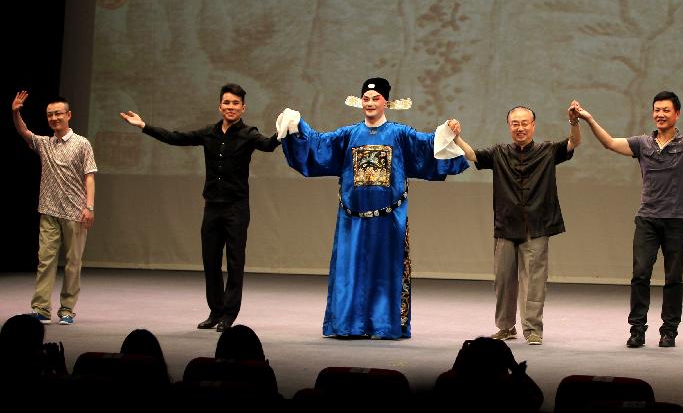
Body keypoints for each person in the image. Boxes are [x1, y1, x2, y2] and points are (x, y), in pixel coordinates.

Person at [277, 77, 469, 339]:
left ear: (386, 102)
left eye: (375, 98)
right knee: (349, 270)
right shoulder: (348, 135)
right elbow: (318, 144)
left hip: (388, 220)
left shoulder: (400, 134)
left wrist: (447, 131)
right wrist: (298, 126)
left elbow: (427, 146)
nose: (369, 103)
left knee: (385, 273)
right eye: (365, 99)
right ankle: (347, 325)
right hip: (352, 219)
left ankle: (383, 324)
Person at [120, 83, 279, 332]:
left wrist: (286, 131)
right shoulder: (209, 134)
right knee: (211, 261)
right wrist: (143, 126)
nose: (230, 107)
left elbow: (269, 145)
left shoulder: (249, 134)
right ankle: (215, 312)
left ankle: (229, 314)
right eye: (226, 102)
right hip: (212, 207)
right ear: (220, 106)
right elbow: (175, 138)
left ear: (243, 108)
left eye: (235, 103)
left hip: (236, 207)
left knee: (235, 262)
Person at [574, 85, 683, 348]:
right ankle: (637, 329)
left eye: (666, 110)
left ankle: (669, 330)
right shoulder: (643, 143)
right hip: (647, 217)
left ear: (677, 114)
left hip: (677, 218)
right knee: (640, 274)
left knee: (673, 277)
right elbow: (610, 143)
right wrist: (588, 119)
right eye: (657, 110)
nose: (660, 114)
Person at [451, 103, 580, 346]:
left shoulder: (548, 150)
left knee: (534, 281)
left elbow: (574, 142)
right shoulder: (500, 152)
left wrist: (574, 122)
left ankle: (532, 328)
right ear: (509, 126)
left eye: (524, 123)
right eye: (515, 124)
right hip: (506, 226)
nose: (520, 128)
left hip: (537, 226)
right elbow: (473, 155)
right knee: (503, 280)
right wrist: (456, 137)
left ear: (533, 125)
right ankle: (506, 327)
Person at [12, 92, 97, 326]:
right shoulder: (46, 144)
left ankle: (67, 309)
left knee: (72, 262)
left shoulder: (82, 143)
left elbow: (89, 176)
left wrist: (89, 206)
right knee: (45, 260)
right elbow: (24, 132)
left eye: (58, 113)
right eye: (50, 115)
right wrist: (16, 112)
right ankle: (41, 309)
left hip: (75, 213)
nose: (54, 118)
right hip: (49, 211)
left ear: (68, 115)